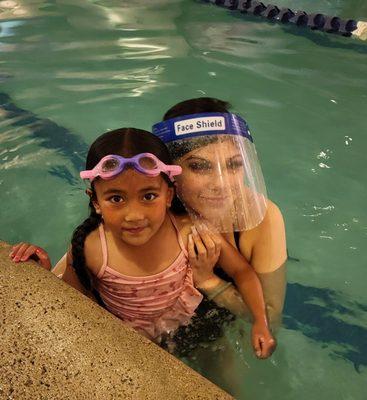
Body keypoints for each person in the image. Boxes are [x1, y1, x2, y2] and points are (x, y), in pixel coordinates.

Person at [9, 127, 275, 358]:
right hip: (125, 341)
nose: (134, 215)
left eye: (148, 196)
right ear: (95, 201)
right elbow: (72, 303)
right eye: (116, 198)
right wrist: (41, 275)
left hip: (186, 325)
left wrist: (260, 322)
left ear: (169, 195)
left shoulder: (189, 231)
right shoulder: (92, 248)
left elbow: (242, 271)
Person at [153, 98, 287, 328]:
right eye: (199, 166)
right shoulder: (149, 207)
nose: (221, 184)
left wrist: (207, 279)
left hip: (219, 325)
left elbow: (270, 318)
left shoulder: (262, 217)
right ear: (171, 170)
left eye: (233, 165)